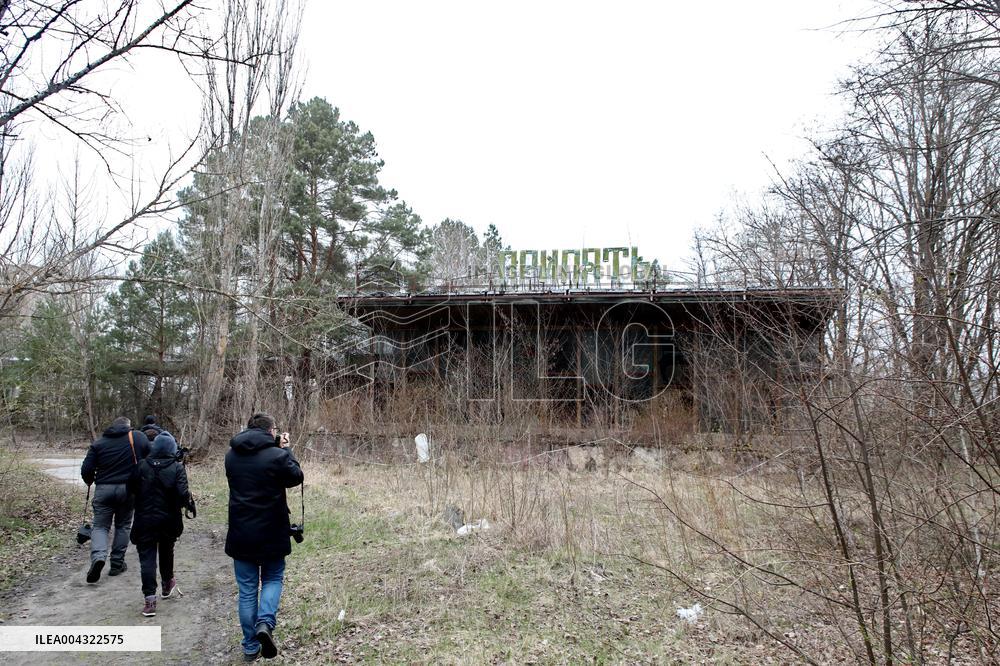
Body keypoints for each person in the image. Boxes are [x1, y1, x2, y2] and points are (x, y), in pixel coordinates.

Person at [225, 413, 303, 662]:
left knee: (247, 590)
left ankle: (250, 647)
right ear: (271, 431)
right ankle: (265, 623)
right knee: (272, 578)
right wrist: (286, 450)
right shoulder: (277, 455)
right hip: (272, 529)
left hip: (241, 531)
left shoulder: (231, 456)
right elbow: (296, 477)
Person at [127, 431, 191, 617]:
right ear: (172, 448)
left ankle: (149, 599)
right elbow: (182, 494)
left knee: (146, 559)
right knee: (166, 551)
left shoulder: (141, 466)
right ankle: (166, 584)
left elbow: (130, 489)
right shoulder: (177, 468)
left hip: (144, 520)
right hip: (168, 520)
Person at [80, 416, 151, 583]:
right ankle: (117, 563)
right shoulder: (138, 437)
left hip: (104, 489)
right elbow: (151, 457)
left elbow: (86, 469)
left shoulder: (99, 443)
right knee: (123, 525)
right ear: (128, 426)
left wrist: (90, 479)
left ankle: (98, 557)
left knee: (100, 527)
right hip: (128, 490)